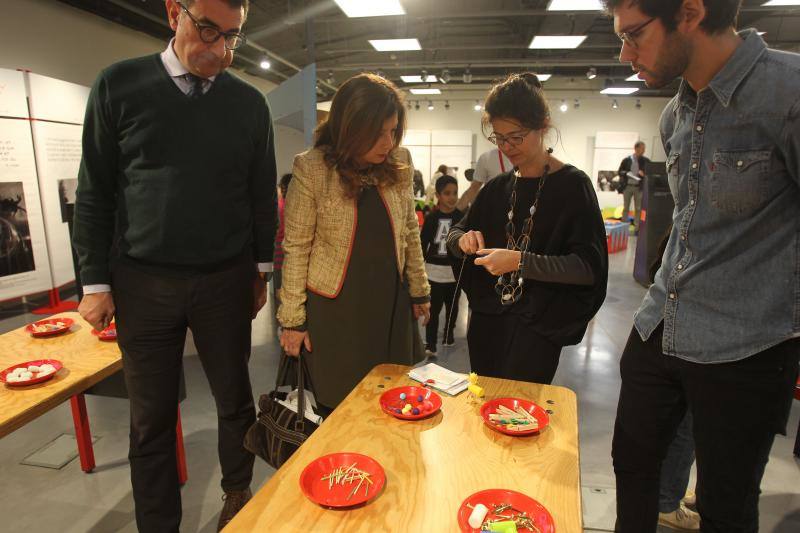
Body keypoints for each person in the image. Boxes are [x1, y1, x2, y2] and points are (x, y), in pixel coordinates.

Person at [72, 1, 276, 531]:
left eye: (233, 37)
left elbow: (259, 195)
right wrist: (95, 282)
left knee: (234, 399)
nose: (220, 49)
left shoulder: (248, 104)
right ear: (172, 13)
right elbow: (94, 192)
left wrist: (260, 271)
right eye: (208, 30)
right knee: (151, 419)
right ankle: (158, 523)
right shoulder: (119, 85)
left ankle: (237, 493)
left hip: (225, 279)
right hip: (142, 282)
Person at [601, 1, 800, 532]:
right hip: (659, 328)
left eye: (635, 35)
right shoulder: (675, 114)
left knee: (726, 505)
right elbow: (691, 223)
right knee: (634, 467)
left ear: (690, 11)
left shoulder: (787, 93)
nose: (625, 54)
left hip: (747, 345)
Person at [277, 73, 431, 414]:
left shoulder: (399, 164)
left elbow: (409, 232)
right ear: (350, 126)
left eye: (392, 131)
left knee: (393, 400)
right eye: (377, 133)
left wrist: (420, 291)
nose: (387, 142)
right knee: (340, 407)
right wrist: (292, 321)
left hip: (391, 303)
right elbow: (297, 247)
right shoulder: (312, 167)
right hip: (337, 311)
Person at [446, 73, 608, 385]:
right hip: (488, 323)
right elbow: (455, 234)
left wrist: (520, 261)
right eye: (499, 138)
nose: (507, 147)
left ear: (543, 126)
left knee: (519, 414)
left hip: (539, 327)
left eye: (517, 136)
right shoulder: (496, 188)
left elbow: (588, 267)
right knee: (484, 404)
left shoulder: (573, 187)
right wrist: (463, 239)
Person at [420, 175, 464, 356]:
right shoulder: (431, 218)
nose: (452, 197)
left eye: (455, 193)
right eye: (447, 193)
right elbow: (422, 244)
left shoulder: (462, 218)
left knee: (452, 308)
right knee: (433, 310)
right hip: (433, 273)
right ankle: (430, 344)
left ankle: (449, 334)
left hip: (455, 274)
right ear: (438, 195)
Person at [617, 141, 650, 234]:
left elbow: (650, 172)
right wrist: (626, 173)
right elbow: (619, 171)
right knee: (626, 207)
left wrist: (644, 174)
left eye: (644, 149)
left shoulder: (646, 161)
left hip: (639, 187)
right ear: (636, 148)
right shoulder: (627, 160)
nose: (644, 151)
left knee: (638, 208)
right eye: (642, 148)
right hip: (627, 186)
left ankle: (636, 229)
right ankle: (622, 228)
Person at [273, 173, 293, 315]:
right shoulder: (294, 207)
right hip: (291, 258)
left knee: (280, 295)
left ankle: (283, 324)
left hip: (279, 258)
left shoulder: (278, 206)